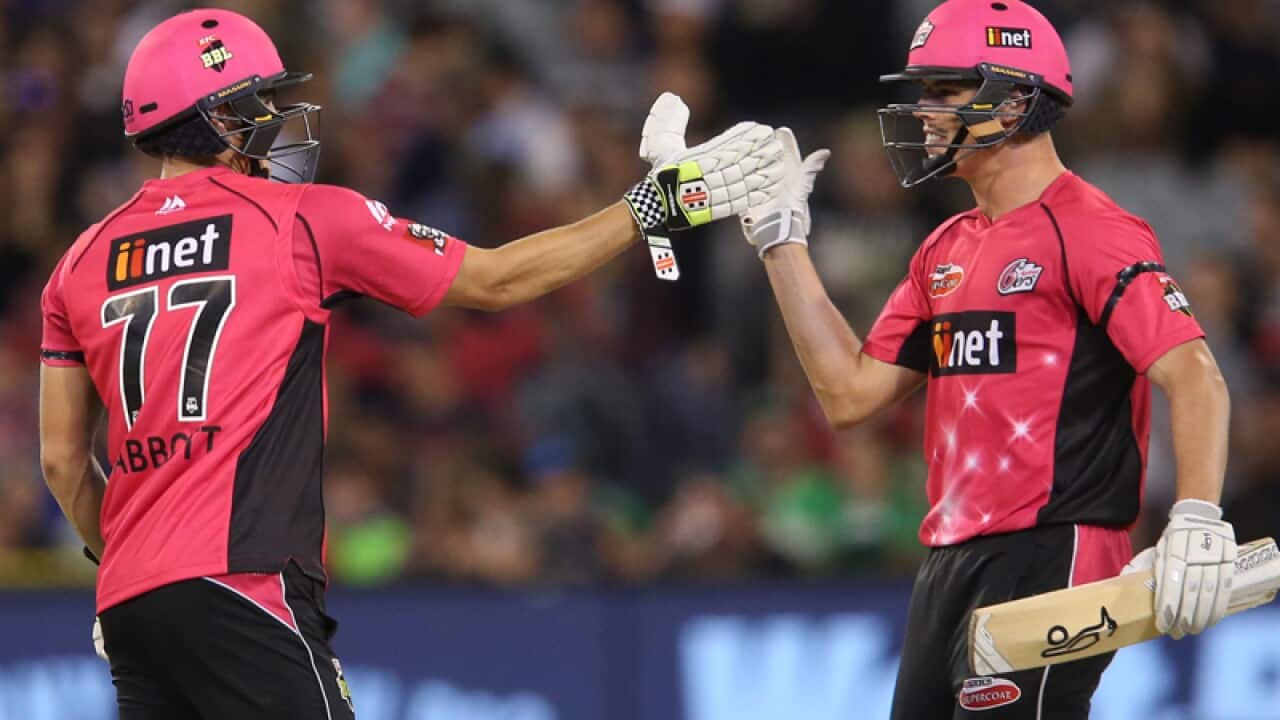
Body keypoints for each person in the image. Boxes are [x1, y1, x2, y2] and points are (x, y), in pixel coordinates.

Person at [37, 9, 782, 719]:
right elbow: (498, 279)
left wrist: (134, 564)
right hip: (243, 579)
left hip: (130, 598)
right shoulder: (299, 219)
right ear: (216, 117)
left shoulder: (78, 262)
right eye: (256, 104)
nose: (272, 121)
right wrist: (654, 206)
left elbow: (64, 461)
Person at [734, 0, 1236, 717]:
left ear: (1016, 97)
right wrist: (782, 245)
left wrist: (1194, 517)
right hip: (949, 562)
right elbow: (849, 396)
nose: (923, 110)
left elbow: (1194, 376)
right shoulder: (945, 247)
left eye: (945, 90)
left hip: (1053, 555)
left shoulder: (1093, 231)